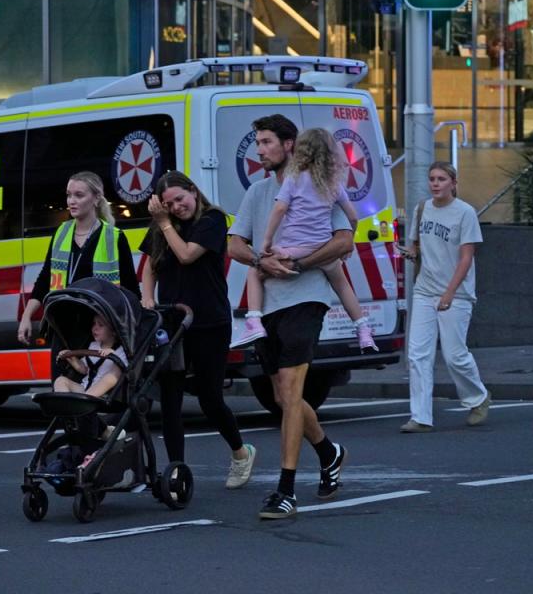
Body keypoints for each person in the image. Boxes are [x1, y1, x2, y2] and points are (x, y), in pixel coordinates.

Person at [228, 114, 350, 520]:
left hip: (307, 297)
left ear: (289, 145)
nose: (259, 150)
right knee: (283, 398)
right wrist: (264, 260)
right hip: (268, 305)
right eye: (257, 142)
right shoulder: (258, 191)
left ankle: (285, 490)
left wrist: (300, 264)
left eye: (265, 142)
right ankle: (329, 452)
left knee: (293, 392)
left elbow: (345, 238)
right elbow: (234, 244)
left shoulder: (317, 184)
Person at [139, 171, 256, 490]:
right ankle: (176, 468)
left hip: (209, 321)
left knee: (209, 397)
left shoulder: (213, 219)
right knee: (171, 398)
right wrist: (148, 298)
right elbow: (150, 264)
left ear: (194, 191)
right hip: (173, 324)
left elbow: (188, 255)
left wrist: (164, 222)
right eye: (168, 204)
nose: (177, 207)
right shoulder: (164, 225)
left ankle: (240, 452)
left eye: (180, 199)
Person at [231, 127, 377, 353]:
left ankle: (254, 321)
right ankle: (363, 329)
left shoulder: (294, 179)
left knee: (256, 271)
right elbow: (352, 216)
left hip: (296, 248)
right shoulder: (332, 184)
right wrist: (350, 244)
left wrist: (267, 241)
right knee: (341, 283)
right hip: (322, 246)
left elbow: (279, 209)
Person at [17, 171, 140, 378]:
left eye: (79, 195)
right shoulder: (61, 232)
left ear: (96, 198)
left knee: (89, 392)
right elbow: (45, 278)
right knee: (60, 387)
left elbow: (129, 287)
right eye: (68, 195)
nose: (71, 201)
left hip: (96, 327)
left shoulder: (114, 237)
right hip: (62, 324)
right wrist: (26, 316)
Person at [401, 162, 491, 433]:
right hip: (424, 290)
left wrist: (450, 292)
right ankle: (420, 417)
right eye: (432, 179)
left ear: (453, 182)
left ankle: (478, 397)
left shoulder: (465, 213)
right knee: (417, 354)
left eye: (441, 179)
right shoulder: (422, 208)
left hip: (457, 293)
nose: (435, 184)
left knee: (454, 355)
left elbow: (466, 257)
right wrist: (412, 252)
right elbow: (417, 244)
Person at [52, 313, 127, 399]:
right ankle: (66, 405)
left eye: (101, 325)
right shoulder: (93, 345)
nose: (95, 328)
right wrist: (71, 357)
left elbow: (121, 370)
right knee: (60, 380)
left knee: (113, 375)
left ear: (113, 331)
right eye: (94, 323)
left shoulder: (120, 350)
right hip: (85, 389)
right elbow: (84, 369)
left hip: (104, 394)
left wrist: (113, 353)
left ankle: (83, 401)